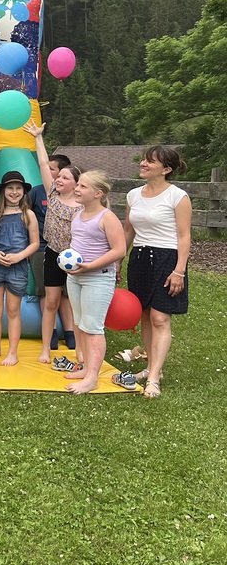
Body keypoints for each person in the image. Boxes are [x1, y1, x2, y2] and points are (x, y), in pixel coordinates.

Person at [117, 146, 191, 398]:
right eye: (143, 160)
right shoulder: (133, 195)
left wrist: (179, 271)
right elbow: (128, 230)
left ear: (166, 169)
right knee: (146, 315)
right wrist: (119, 260)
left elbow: (184, 236)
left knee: (160, 317)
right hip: (139, 258)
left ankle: (154, 378)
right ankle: (150, 368)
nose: (143, 164)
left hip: (167, 258)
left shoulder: (177, 196)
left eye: (150, 161)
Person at [24, 122, 84, 365]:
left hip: (75, 258)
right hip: (51, 254)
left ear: (76, 184)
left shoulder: (82, 205)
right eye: (58, 176)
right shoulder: (51, 194)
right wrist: (38, 138)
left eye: (64, 177)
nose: (58, 179)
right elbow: (42, 163)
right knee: (50, 301)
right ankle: (45, 349)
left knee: (75, 303)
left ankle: (80, 349)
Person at [63, 171, 126, 394]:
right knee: (80, 324)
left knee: (92, 327)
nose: (77, 189)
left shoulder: (107, 217)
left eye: (83, 186)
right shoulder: (77, 215)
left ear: (98, 193)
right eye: (77, 185)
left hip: (98, 278)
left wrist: (91, 266)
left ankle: (92, 378)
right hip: (75, 277)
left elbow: (119, 250)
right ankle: (86, 368)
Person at [0, 172, 40, 366]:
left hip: (18, 267)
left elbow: (35, 243)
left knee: (13, 310)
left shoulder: (28, 214)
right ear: (3, 191)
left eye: (18, 188)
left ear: (23, 192)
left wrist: (19, 256)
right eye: (10, 188)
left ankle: (13, 352)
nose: (14, 192)